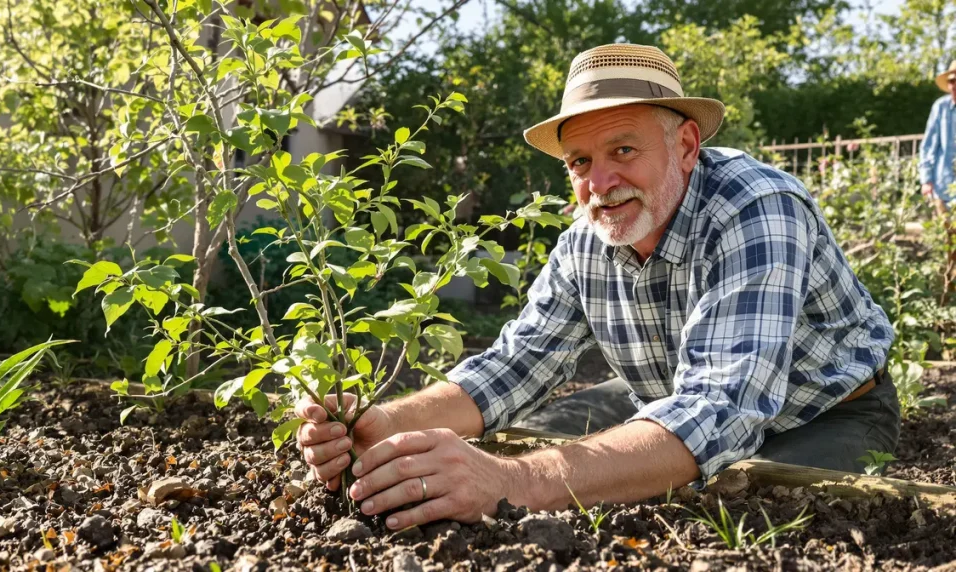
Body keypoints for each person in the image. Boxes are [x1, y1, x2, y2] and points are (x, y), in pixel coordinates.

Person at [294, 44, 900, 531]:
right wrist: (385, 422)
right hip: (668, 395)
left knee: (733, 505)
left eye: (623, 149)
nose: (600, 182)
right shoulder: (586, 241)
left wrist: (511, 482)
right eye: (580, 162)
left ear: (686, 146)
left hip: (823, 412)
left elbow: (721, 411)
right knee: (548, 433)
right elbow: (515, 365)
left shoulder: (756, 210)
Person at [920, 60, 956, 216]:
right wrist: (926, 179)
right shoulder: (940, 107)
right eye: (952, 81)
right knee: (944, 228)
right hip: (943, 184)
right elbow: (928, 145)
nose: (954, 85)